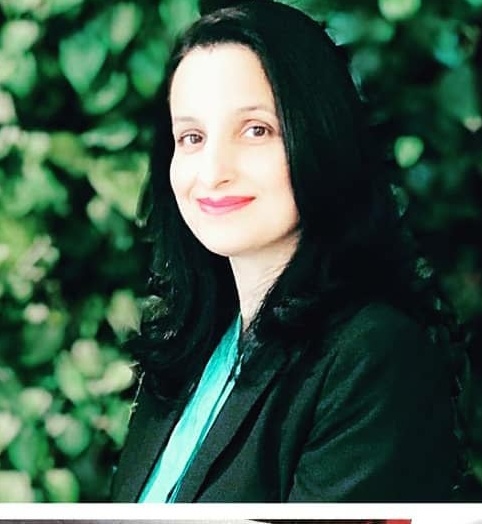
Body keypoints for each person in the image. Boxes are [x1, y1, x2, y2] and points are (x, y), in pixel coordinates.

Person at [111, 0, 461, 502]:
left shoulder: (372, 356)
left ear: (319, 136)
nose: (212, 171)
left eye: (256, 130)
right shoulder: (189, 346)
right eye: (191, 137)